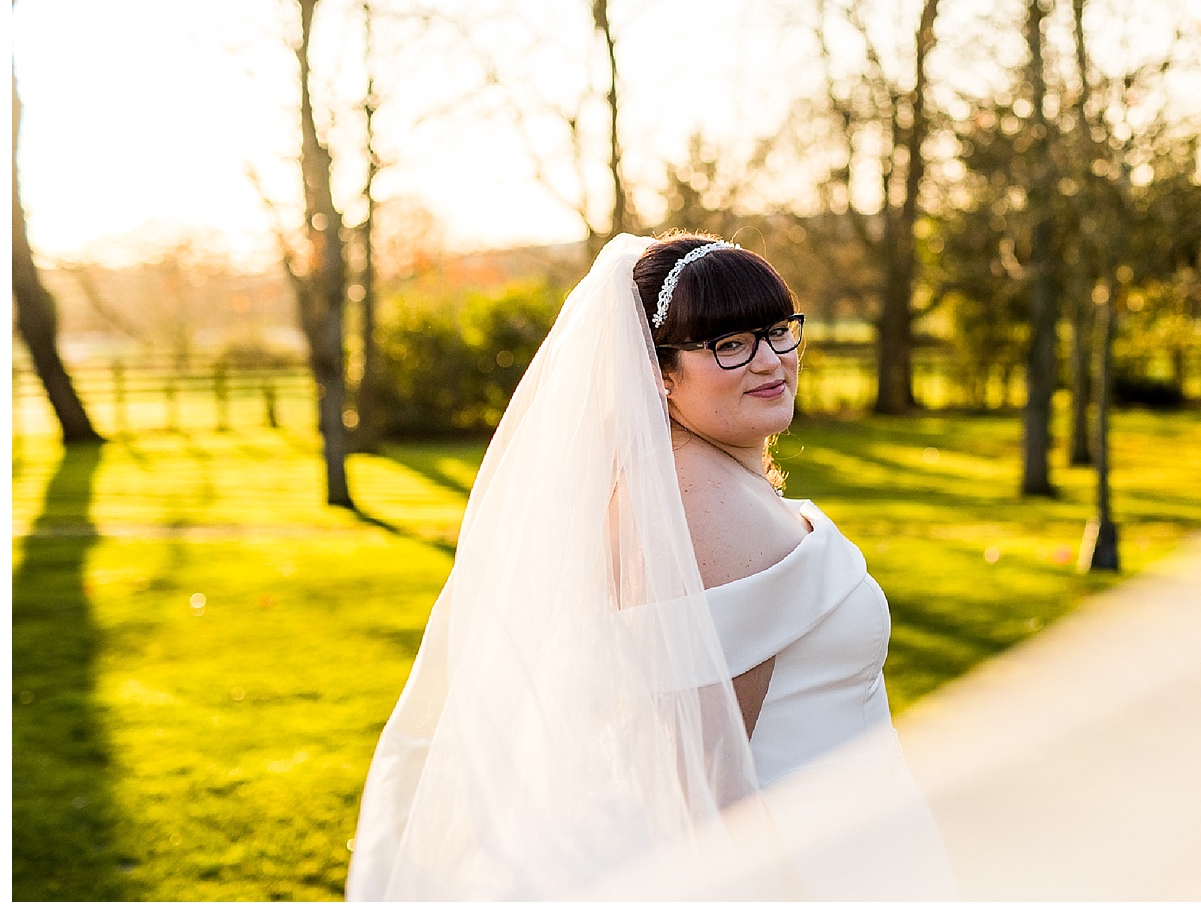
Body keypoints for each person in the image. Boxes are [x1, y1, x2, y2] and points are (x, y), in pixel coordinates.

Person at [345, 234, 954, 900]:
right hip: (807, 873)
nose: (771, 361)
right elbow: (704, 788)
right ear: (660, 375)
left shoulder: (701, 485)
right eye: (728, 344)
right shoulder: (698, 507)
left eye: (777, 330)